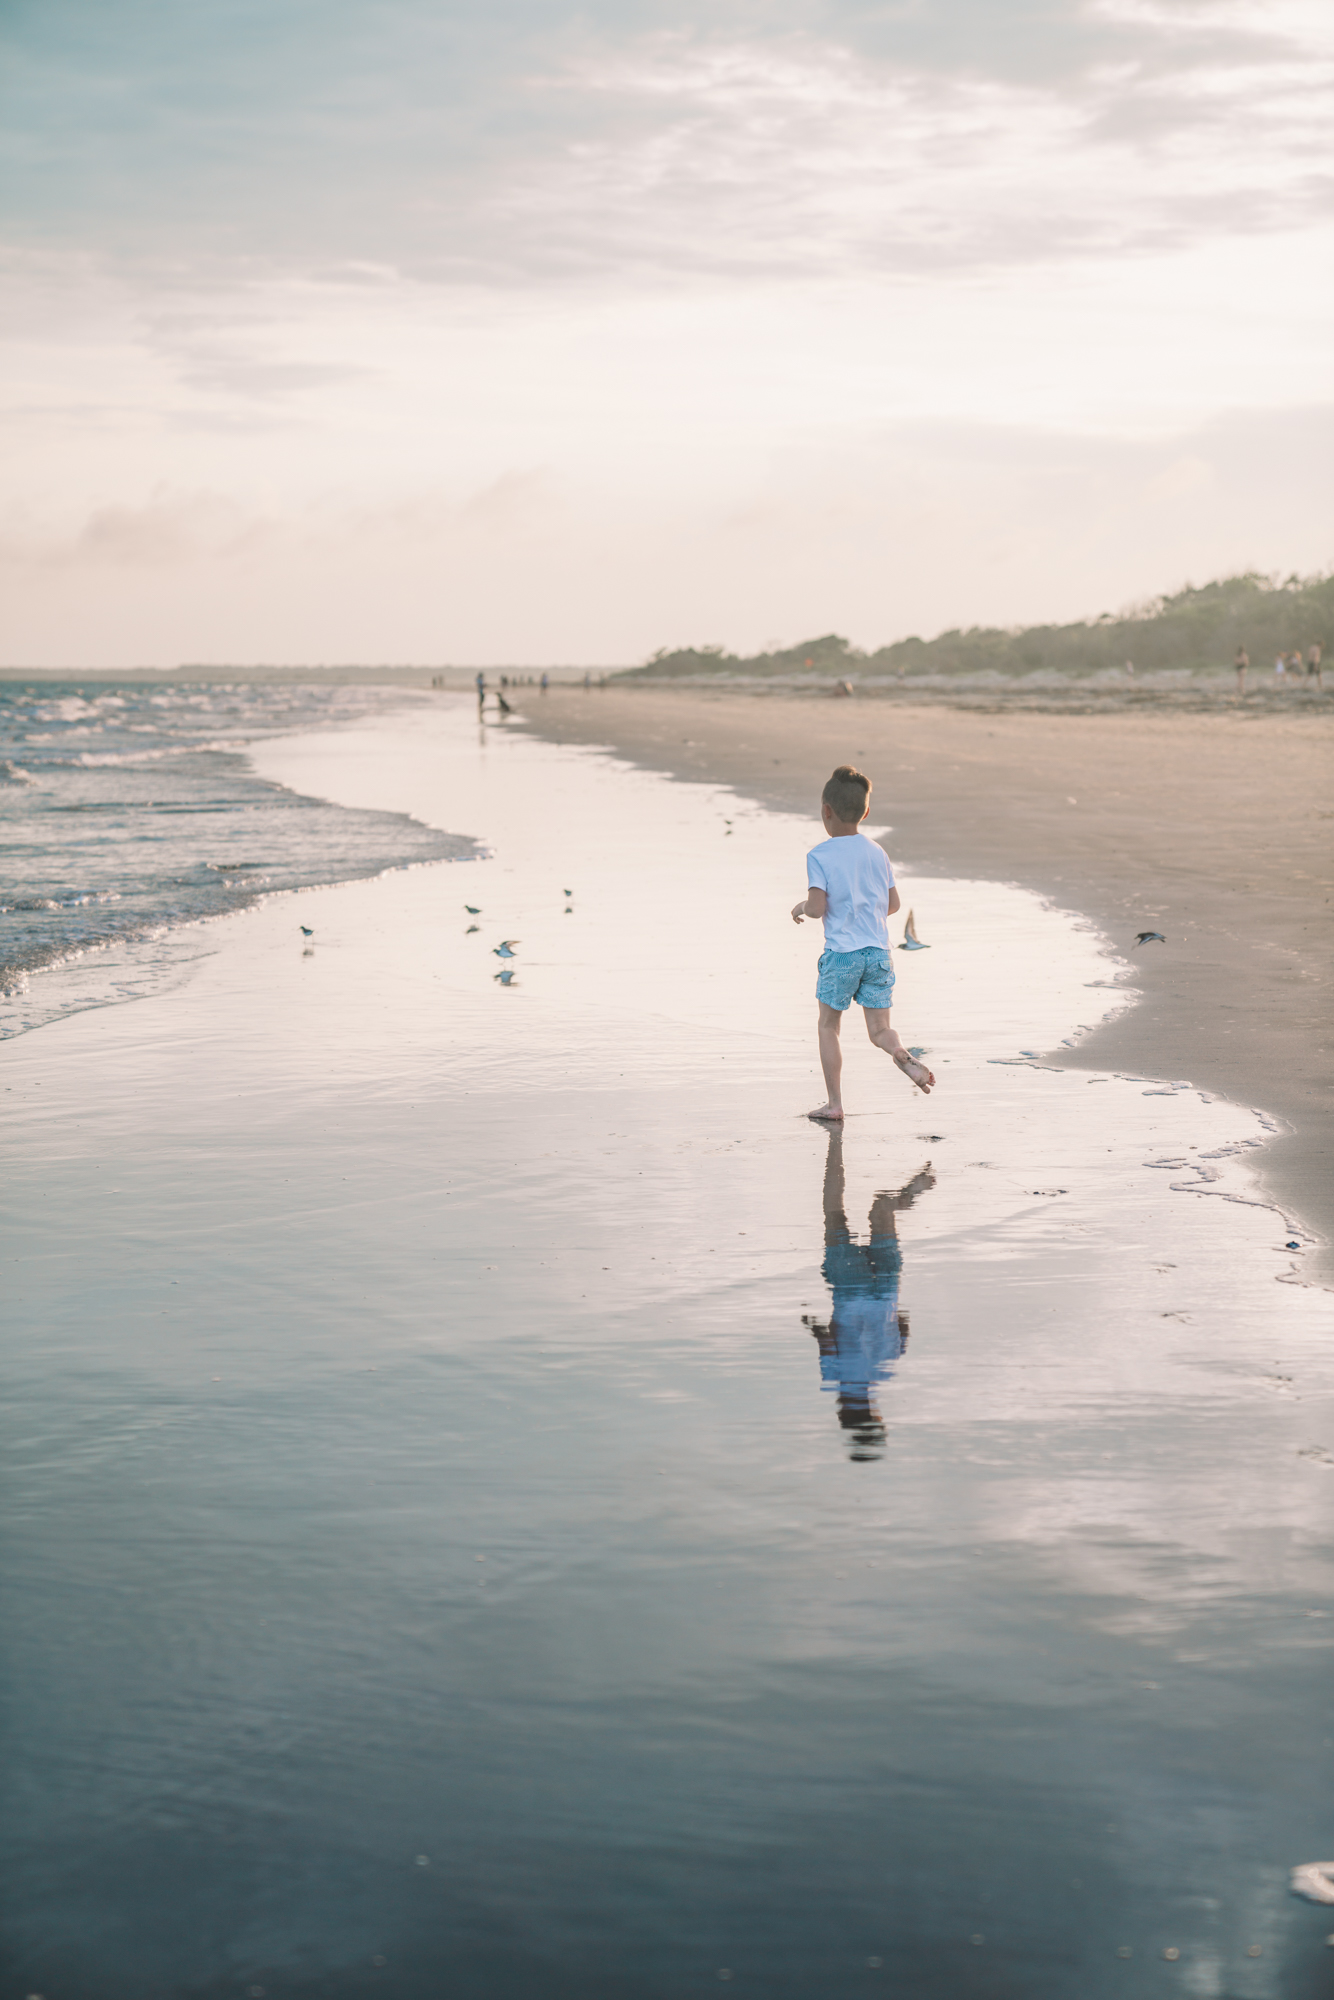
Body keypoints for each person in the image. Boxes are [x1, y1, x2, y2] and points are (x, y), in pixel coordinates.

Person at [790, 764, 935, 1117]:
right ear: (865, 812)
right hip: (878, 953)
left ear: (826, 811)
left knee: (828, 1026)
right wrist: (865, 913)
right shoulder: (877, 852)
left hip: (842, 956)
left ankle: (835, 1104)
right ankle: (899, 1052)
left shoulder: (819, 855)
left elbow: (818, 906)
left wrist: (801, 906)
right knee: (880, 1029)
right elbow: (894, 904)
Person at [802, 1124, 934, 1458]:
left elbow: (903, 1327)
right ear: (842, 1413)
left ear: (876, 1413)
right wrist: (813, 1326)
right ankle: (834, 1155)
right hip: (847, 1285)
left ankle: (907, 1196)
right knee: (834, 1213)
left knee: (881, 1212)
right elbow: (828, 1341)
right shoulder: (835, 1376)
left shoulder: (886, 1365)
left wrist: (884, 1319)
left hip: (887, 1286)